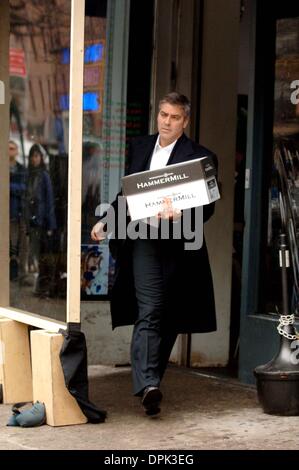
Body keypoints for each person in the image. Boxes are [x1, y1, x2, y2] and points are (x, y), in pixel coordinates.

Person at [91, 92, 218, 416]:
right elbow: (127, 194)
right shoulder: (141, 146)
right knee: (151, 307)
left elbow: (207, 207)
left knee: (171, 314)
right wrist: (108, 221)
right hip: (144, 238)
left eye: (174, 117)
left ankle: (152, 382)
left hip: (179, 243)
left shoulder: (201, 157)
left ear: (185, 121)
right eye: (163, 115)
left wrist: (181, 214)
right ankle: (148, 384)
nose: (167, 121)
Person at [26, 144, 57, 297]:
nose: (34, 159)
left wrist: (51, 225)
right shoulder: (30, 174)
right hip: (33, 222)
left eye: (36, 156)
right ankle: (40, 286)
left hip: (43, 222)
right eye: (32, 156)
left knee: (45, 256)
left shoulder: (44, 175)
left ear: (41, 158)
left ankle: (45, 287)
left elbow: (49, 200)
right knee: (36, 255)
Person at [9, 140, 28, 282]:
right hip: (7, 213)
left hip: (19, 212)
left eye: (12, 148)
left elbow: (24, 188)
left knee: (20, 244)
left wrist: (9, 188)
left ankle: (19, 272)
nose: (10, 151)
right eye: (8, 148)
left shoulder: (21, 169)